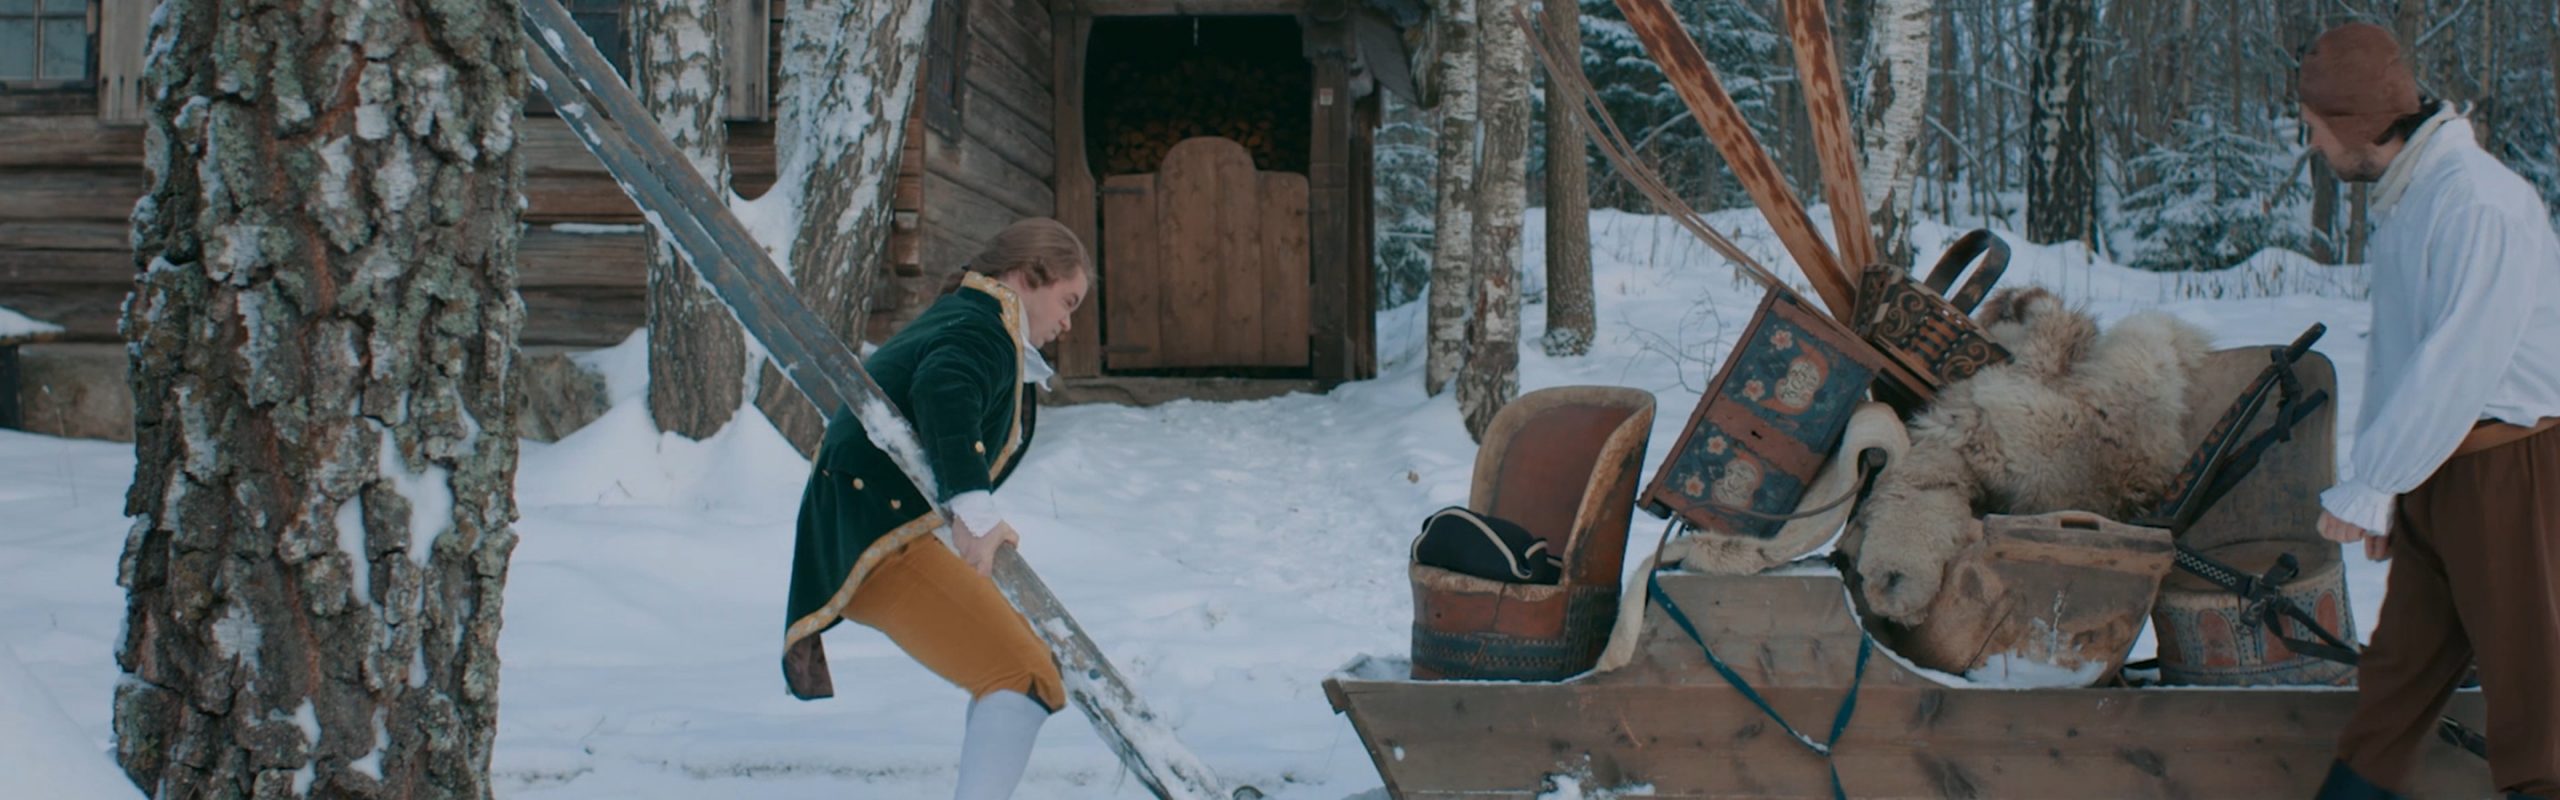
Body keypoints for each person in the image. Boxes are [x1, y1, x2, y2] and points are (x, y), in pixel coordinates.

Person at [2294, 22, 2560, 800]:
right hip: (2442, 471)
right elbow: (2403, 356)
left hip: (2508, 471)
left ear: (2353, 123)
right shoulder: (2414, 197)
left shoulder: (2479, 203)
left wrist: (2378, 480)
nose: (2312, 145)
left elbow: (2461, 362)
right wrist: (2391, 490)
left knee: (2534, 700)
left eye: (2314, 127)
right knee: (2394, 689)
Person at [779, 218, 1091, 800]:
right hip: (880, 540)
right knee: (1023, 677)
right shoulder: (981, 327)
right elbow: (945, 389)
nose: (1069, 322)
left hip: (884, 532)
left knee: (1017, 675)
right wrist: (973, 510)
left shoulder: (972, 319)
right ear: (1028, 277)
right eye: (1067, 300)